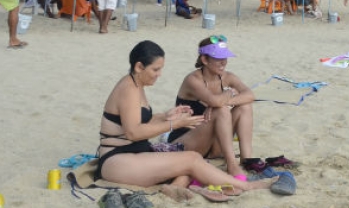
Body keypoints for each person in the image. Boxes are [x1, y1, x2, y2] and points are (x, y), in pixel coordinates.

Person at [97, 41, 288, 201]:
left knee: (190, 162)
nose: (159, 74)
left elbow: (134, 120)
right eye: (155, 69)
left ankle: (176, 188)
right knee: (191, 159)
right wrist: (174, 124)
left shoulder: (136, 84)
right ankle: (247, 186)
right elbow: (133, 132)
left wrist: (166, 115)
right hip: (117, 160)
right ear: (139, 67)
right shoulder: (128, 88)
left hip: (136, 153)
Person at [169, 36, 288, 179]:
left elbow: (250, 95)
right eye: (218, 58)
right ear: (205, 60)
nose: (223, 62)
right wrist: (227, 94)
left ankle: (247, 159)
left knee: (244, 106)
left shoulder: (226, 77)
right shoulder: (193, 80)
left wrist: (223, 101)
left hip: (213, 146)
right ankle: (232, 164)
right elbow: (214, 101)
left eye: (225, 57)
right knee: (222, 110)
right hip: (186, 143)